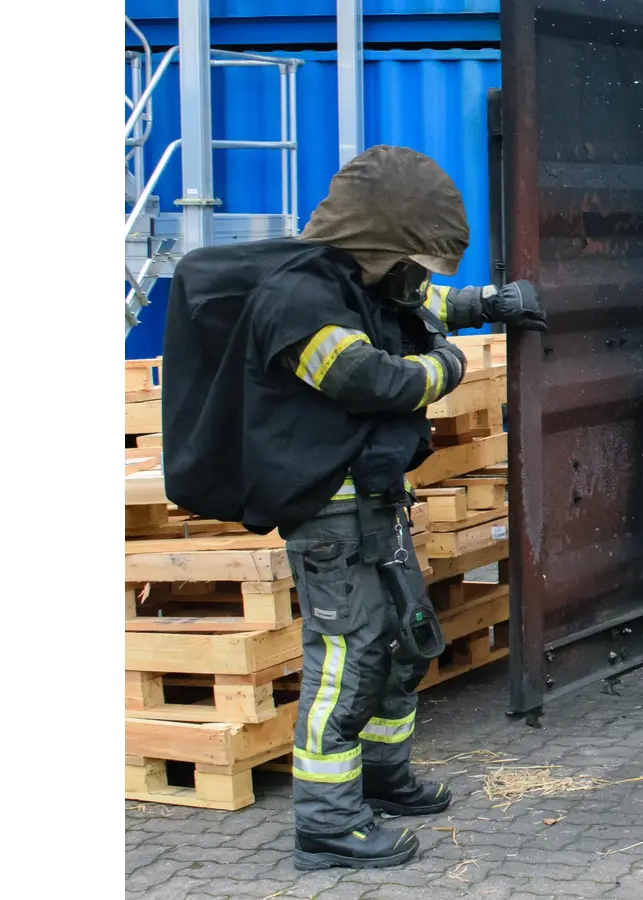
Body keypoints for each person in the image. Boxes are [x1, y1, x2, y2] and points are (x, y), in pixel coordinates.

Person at [161, 146, 547, 868]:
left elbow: (413, 302)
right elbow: (362, 376)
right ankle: (327, 825)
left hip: (375, 501)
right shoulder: (295, 299)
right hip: (328, 513)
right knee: (347, 655)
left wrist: (485, 304)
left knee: (403, 642)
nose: (418, 276)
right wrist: (446, 367)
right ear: (378, 240)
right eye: (412, 256)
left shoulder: (357, 279)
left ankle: (383, 778)